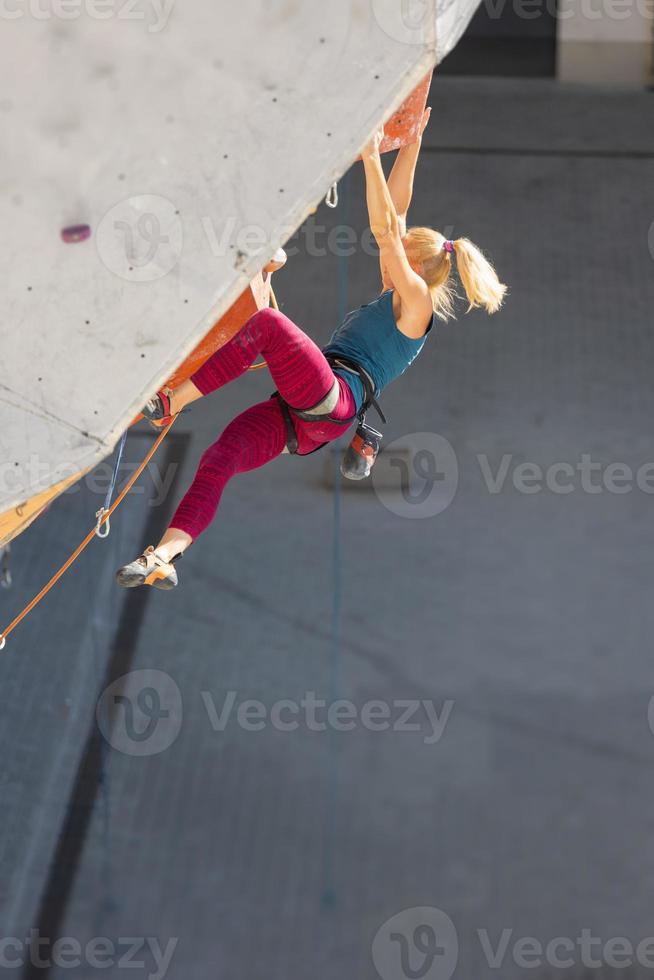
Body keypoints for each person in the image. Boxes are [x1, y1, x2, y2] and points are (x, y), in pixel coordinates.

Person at [116, 110, 506, 590]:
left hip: (334, 397)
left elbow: (387, 230)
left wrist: (368, 158)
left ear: (416, 268)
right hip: (307, 418)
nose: (386, 259)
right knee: (222, 456)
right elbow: (397, 213)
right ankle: (165, 555)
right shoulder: (402, 293)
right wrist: (412, 141)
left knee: (269, 327)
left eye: (397, 257)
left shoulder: (418, 305)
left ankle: (170, 402)